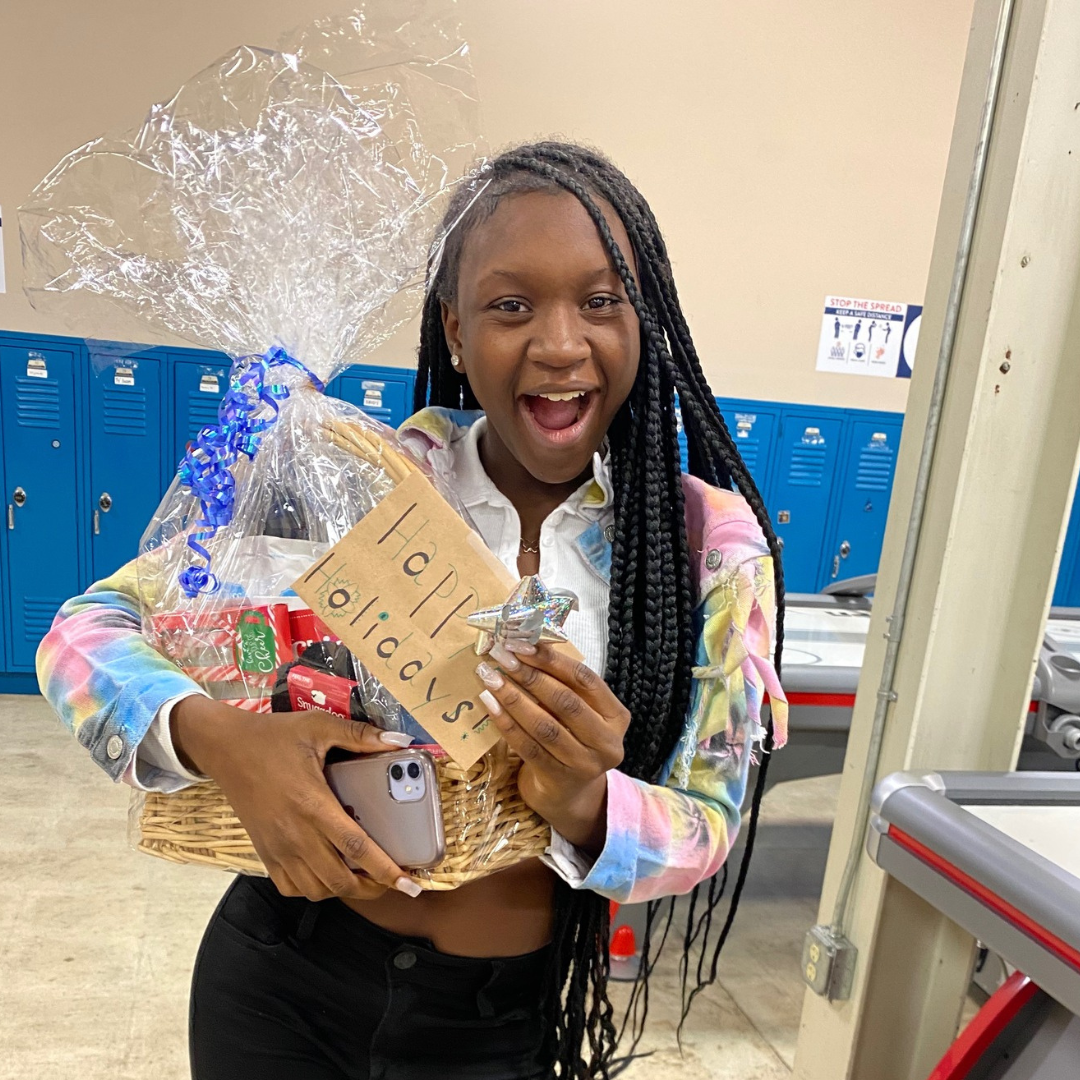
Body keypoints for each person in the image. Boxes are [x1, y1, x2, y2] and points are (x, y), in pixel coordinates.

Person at [37, 141, 787, 1080]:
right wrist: (224, 743)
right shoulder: (356, 487)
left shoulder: (704, 549)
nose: (560, 343)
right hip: (279, 974)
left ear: (648, 320)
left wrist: (592, 806)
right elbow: (82, 636)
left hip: (492, 1024)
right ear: (458, 332)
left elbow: (709, 820)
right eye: (511, 305)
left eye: (602, 300)